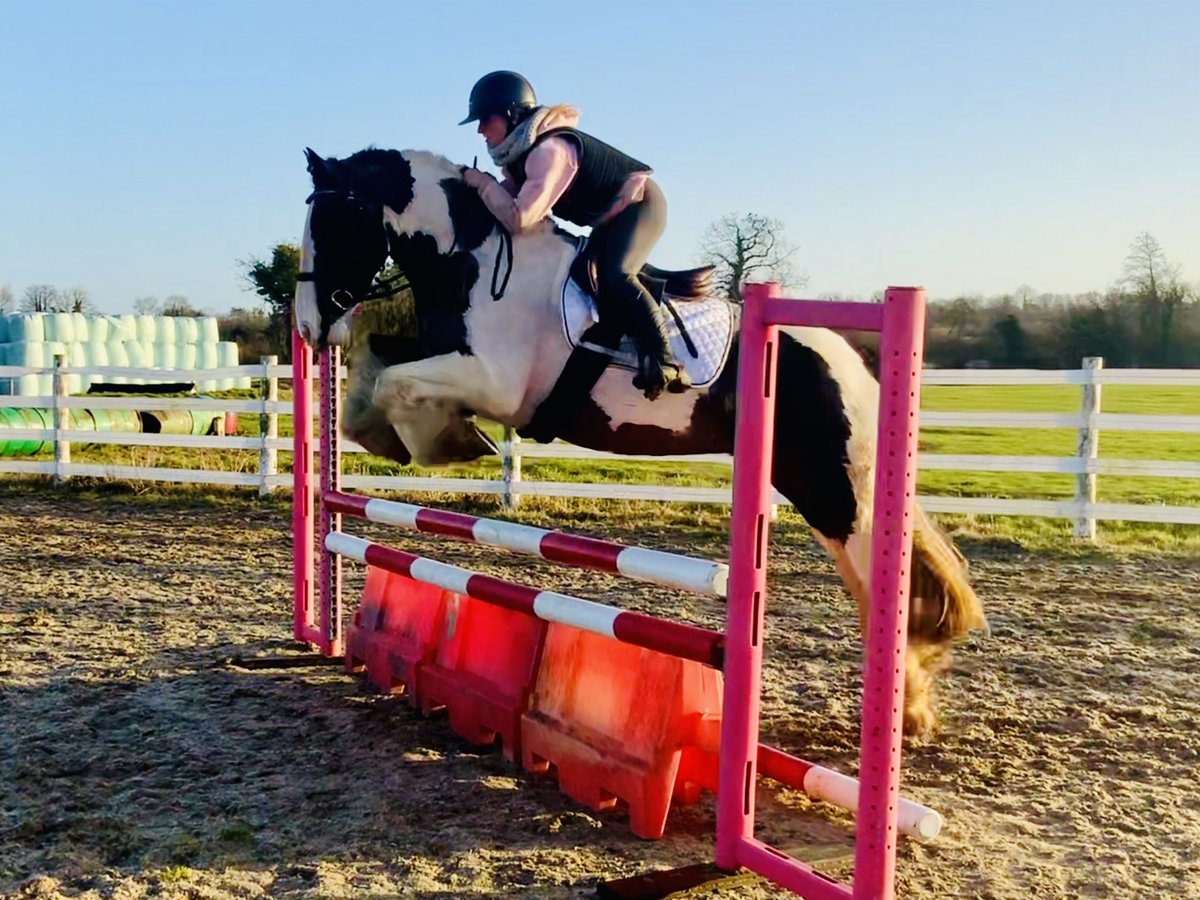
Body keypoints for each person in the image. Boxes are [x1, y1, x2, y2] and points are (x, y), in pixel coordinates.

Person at [459, 70, 690, 400]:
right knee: (582, 273)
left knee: (614, 274)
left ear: (511, 115)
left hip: (642, 205)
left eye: (485, 119)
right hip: (612, 219)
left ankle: (667, 360)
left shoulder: (548, 151)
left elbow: (520, 219)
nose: (480, 129)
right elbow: (500, 204)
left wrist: (483, 184)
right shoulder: (520, 158)